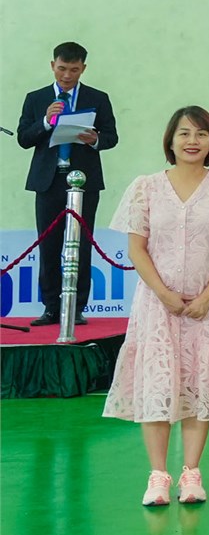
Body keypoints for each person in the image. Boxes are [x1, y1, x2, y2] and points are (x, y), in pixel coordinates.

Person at [105, 107, 209, 506]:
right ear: (170, 141)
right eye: (184, 133)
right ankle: (157, 476)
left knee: (198, 385)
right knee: (157, 383)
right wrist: (165, 294)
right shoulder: (145, 187)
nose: (192, 141)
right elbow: (137, 248)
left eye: (201, 134)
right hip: (157, 307)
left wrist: (206, 296)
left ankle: (191, 474)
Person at [17, 41, 119, 326]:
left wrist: (95, 139)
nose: (66, 75)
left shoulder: (97, 98)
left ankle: (76, 308)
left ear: (83, 68)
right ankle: (51, 307)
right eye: (62, 68)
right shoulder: (36, 98)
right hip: (48, 182)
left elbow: (111, 136)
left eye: (74, 70)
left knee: (82, 245)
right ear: (53, 65)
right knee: (48, 245)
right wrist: (46, 121)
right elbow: (23, 138)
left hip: (85, 183)